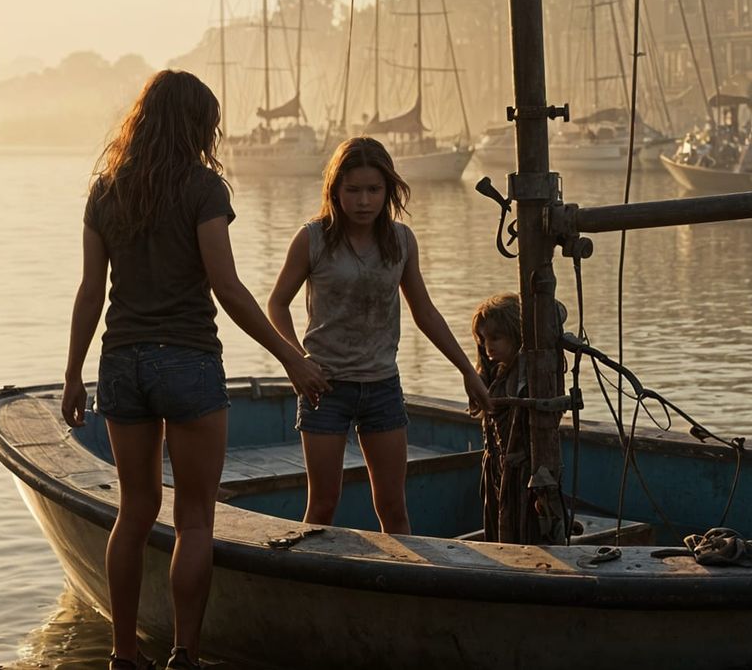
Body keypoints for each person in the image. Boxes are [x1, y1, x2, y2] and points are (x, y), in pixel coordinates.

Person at [61, 70, 326, 670]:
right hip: (188, 361)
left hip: (122, 363)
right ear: (196, 125)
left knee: (133, 513)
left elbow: (89, 292)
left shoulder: (106, 189)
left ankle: (123, 655)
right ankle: (185, 654)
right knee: (195, 519)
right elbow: (226, 286)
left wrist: (74, 373)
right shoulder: (204, 189)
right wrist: (292, 357)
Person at [267, 137, 494, 535]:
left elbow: (424, 312)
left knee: (393, 507)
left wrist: (468, 371)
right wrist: (297, 361)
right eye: (353, 190)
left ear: (389, 190)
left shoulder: (401, 241)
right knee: (322, 504)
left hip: (382, 386)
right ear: (335, 191)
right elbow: (277, 304)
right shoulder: (313, 238)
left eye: (374, 190)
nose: (363, 201)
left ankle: (404, 585)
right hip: (325, 387)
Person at [469, 292, 533, 542]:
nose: (488, 346)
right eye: (484, 339)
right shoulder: (492, 375)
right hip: (497, 467)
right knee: (499, 525)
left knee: (522, 526)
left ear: (517, 334)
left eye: (495, 338)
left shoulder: (527, 374)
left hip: (521, 471)